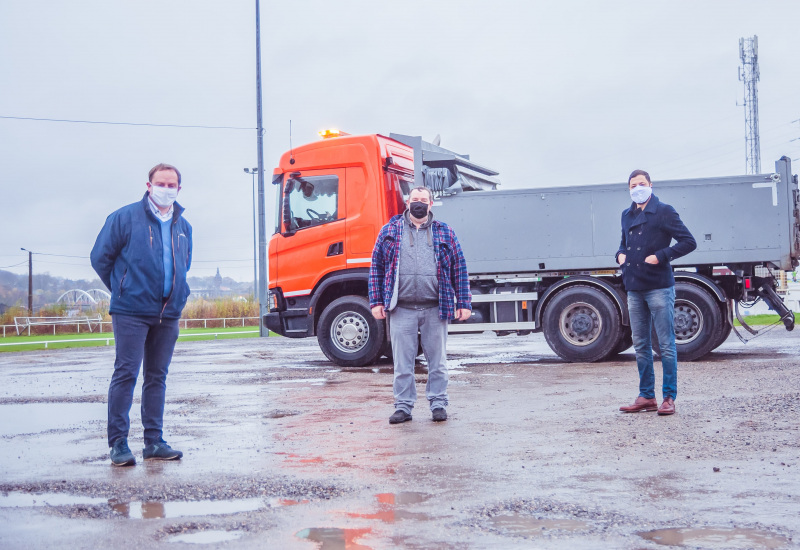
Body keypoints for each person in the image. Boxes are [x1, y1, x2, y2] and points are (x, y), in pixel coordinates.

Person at [90, 163, 192, 466]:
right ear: (149, 185)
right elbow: (100, 258)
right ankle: (118, 443)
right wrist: (123, 288)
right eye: (160, 183)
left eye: (171, 184)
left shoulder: (183, 225)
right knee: (126, 374)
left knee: (157, 377)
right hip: (131, 311)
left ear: (179, 189)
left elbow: (184, 265)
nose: (166, 188)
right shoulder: (124, 218)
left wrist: (179, 295)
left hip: (168, 313)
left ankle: (154, 442)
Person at [369, 187, 471, 424]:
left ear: (431, 204)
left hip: (436, 307)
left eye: (423, 200)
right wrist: (376, 301)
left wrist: (464, 302)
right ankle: (403, 407)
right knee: (402, 365)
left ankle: (438, 404)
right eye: (415, 200)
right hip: (401, 308)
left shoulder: (445, 232)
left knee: (438, 362)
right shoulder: (389, 231)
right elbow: (376, 267)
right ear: (407, 202)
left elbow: (459, 268)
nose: (419, 204)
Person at [617, 169, 696, 416]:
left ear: (650, 185)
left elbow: (688, 242)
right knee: (640, 344)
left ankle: (669, 397)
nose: (637, 188)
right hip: (634, 287)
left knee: (665, 344)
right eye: (633, 185)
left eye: (641, 183)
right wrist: (618, 254)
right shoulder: (626, 214)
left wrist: (661, 256)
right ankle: (646, 396)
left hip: (659, 286)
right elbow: (624, 243)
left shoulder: (664, 211)